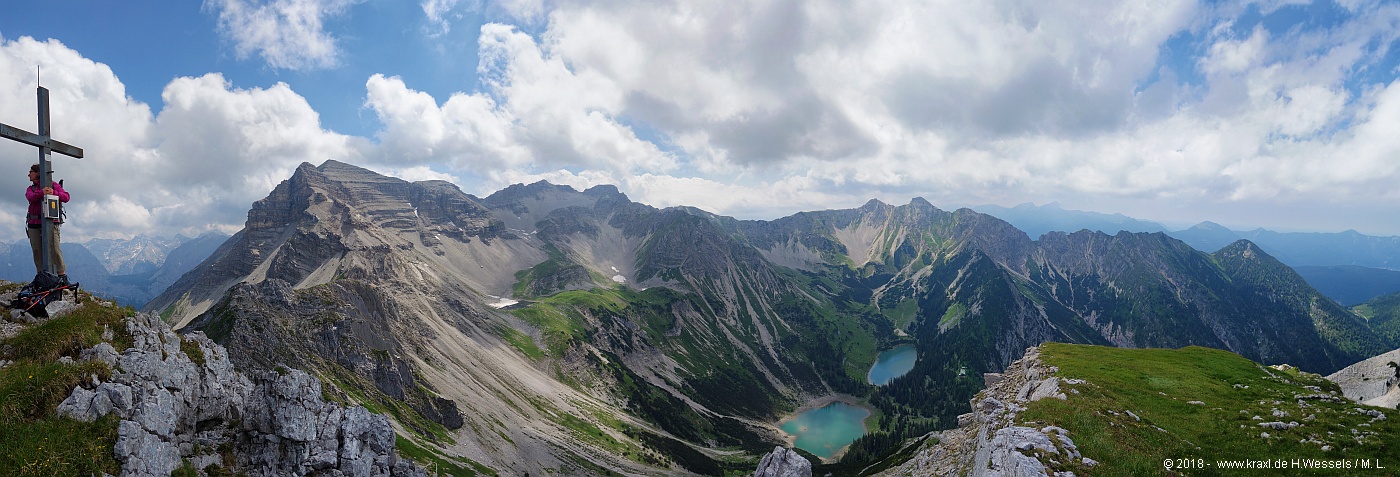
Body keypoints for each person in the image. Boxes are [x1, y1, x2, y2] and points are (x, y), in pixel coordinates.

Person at [26, 163, 68, 282]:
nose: (28, 174)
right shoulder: (31, 188)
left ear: (38, 173)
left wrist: (53, 193)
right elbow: (30, 197)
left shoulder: (53, 185)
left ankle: (62, 276)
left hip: (50, 223)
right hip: (34, 223)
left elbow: (66, 197)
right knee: (37, 250)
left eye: (31, 171)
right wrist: (42, 193)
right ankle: (41, 276)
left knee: (55, 248)